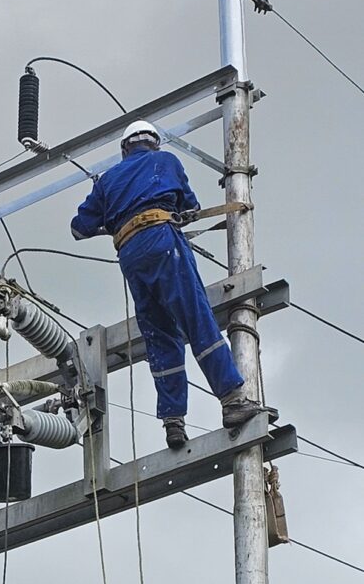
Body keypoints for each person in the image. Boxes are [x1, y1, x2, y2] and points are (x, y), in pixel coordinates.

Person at [70, 120, 268, 449]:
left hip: (130, 255)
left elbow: (79, 227)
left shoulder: (107, 180)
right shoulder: (165, 161)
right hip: (162, 240)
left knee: (160, 335)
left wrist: (116, 216)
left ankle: (173, 421)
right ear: (154, 144)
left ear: (125, 149)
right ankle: (233, 400)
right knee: (195, 317)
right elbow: (190, 207)